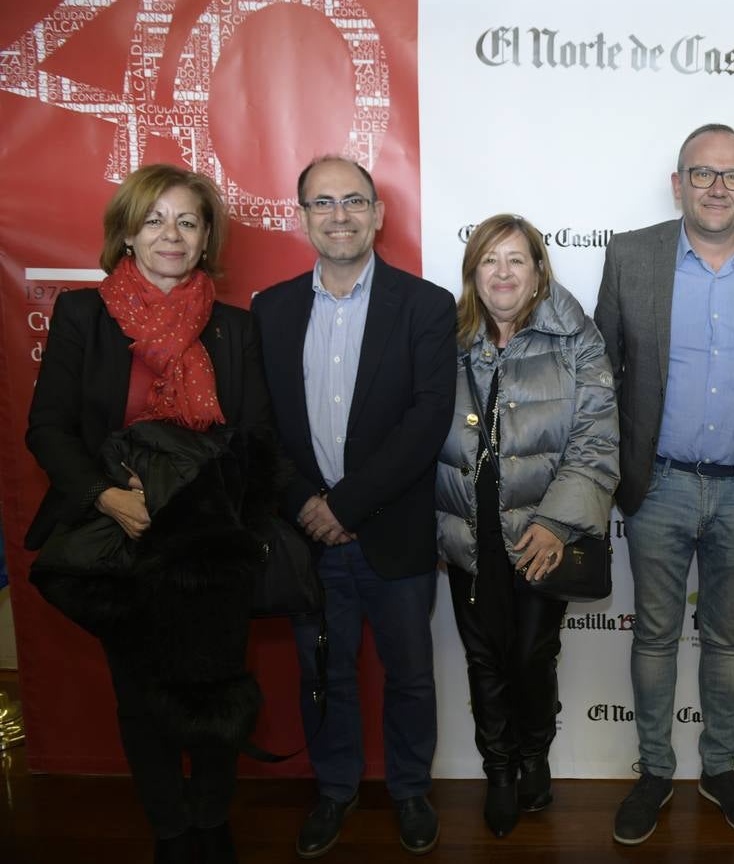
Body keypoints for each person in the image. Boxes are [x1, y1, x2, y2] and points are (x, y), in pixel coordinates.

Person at [25, 163, 271, 864]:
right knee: (140, 697)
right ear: (126, 234)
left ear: (205, 239)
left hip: (207, 542)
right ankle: (169, 828)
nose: (172, 233)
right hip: (117, 535)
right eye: (155, 219)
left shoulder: (233, 329)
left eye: (188, 221)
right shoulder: (83, 315)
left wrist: (225, 527)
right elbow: (47, 429)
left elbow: (254, 434)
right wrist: (108, 498)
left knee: (216, 691)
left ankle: (212, 819)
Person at [595, 123, 734, 845]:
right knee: (654, 636)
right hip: (657, 487)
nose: (718, 187)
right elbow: (603, 375)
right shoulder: (631, 255)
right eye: (702, 173)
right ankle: (655, 769)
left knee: (725, 639)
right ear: (677, 182)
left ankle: (720, 769)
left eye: (733, 175)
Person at [251, 156, 456, 858]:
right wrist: (307, 503)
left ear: (379, 213)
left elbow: (427, 422)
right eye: (322, 202)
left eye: (354, 201)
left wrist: (347, 504)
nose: (339, 215)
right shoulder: (270, 309)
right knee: (322, 674)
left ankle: (409, 790)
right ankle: (334, 789)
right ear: (301, 215)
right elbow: (260, 429)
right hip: (306, 536)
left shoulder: (426, 306)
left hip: (391, 534)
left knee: (411, 674)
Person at [436, 213, 619, 837]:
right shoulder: (448, 338)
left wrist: (557, 523)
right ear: (473, 273)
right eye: (490, 261)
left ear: (539, 269)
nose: (503, 273)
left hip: (543, 532)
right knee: (483, 656)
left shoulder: (577, 339)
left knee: (532, 654)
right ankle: (501, 770)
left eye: (517, 259)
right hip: (468, 526)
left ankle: (535, 751)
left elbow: (596, 439)